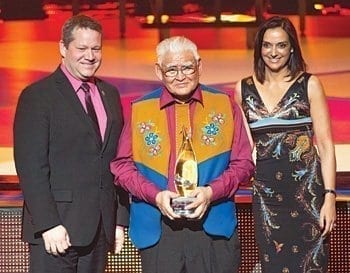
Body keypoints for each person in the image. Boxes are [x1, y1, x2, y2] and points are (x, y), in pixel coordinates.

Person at [110, 36, 255, 273]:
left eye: (187, 67)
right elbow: (122, 167)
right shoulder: (140, 109)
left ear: (200, 66)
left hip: (212, 226)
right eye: (171, 70)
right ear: (159, 71)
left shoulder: (224, 105)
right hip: (158, 227)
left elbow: (243, 164)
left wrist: (210, 192)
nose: (180, 76)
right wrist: (155, 196)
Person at [13, 14, 129, 273]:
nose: (90, 56)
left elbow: (117, 160)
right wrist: (47, 223)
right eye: (82, 48)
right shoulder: (38, 96)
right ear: (63, 48)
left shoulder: (109, 94)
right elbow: (31, 167)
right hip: (56, 232)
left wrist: (119, 220)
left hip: (100, 230)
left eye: (96, 48)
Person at [235, 16, 337, 272]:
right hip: (268, 198)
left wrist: (330, 197)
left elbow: (325, 146)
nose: (274, 52)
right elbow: (245, 149)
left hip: (308, 197)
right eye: (267, 45)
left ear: (292, 47)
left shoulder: (309, 85)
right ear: (259, 48)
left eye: (281, 45)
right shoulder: (243, 89)